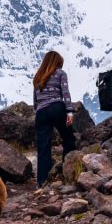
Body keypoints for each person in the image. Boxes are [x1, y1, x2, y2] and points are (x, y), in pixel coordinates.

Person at [32, 50, 76, 188]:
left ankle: (42, 181)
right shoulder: (60, 74)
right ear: (57, 63)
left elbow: (35, 101)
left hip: (41, 112)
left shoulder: (38, 77)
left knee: (43, 147)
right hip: (56, 107)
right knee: (69, 138)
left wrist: (39, 112)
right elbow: (65, 93)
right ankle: (68, 172)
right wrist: (69, 112)